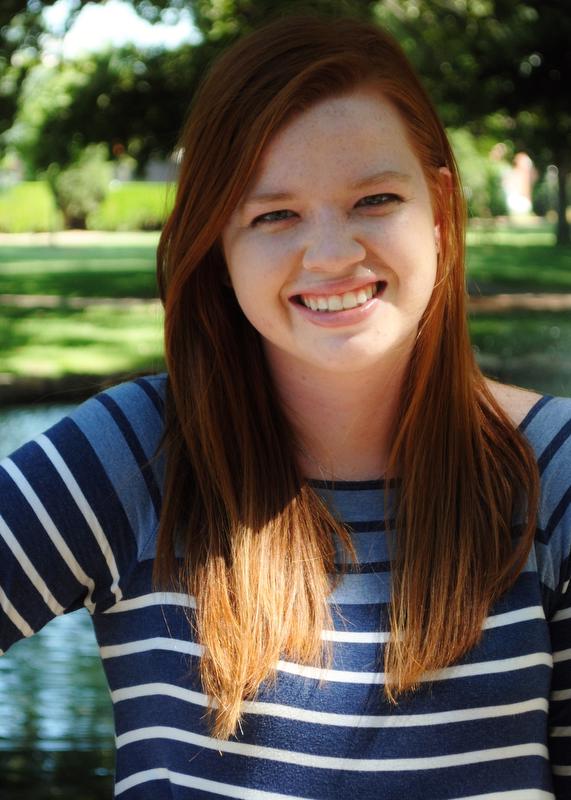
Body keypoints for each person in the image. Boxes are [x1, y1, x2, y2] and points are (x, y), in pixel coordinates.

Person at [1, 15, 570, 800]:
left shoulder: (553, 472)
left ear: (438, 209)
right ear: (219, 246)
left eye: (374, 199)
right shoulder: (134, 454)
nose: (332, 254)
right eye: (275, 215)